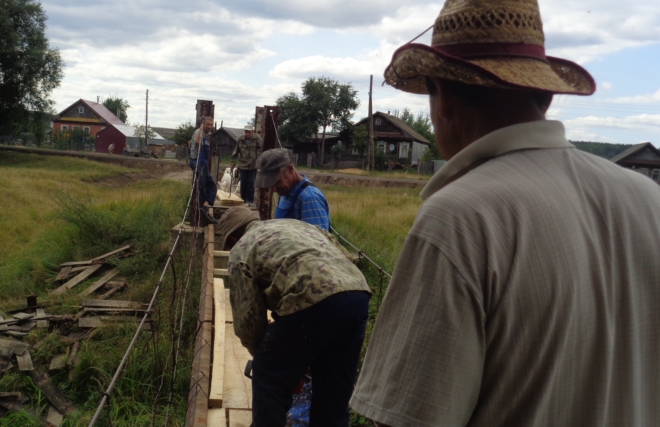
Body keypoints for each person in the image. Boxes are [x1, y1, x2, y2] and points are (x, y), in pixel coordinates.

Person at [350, 1, 660, 426]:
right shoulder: (648, 200)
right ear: (546, 95)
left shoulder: (460, 217)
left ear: (443, 98)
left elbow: (408, 417)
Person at [219, 207, 371, 427]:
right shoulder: (299, 226)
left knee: (268, 374)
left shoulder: (242, 248)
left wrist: (269, 357)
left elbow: (248, 322)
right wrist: (298, 359)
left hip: (310, 297)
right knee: (333, 392)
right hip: (357, 294)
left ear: (233, 237)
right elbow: (345, 256)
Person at [255, 148, 330, 231]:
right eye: (271, 185)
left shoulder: (310, 198)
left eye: (277, 182)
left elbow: (317, 241)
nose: (274, 189)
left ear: (290, 169)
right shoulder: (286, 191)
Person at [188, 116, 218, 223]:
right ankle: (202, 212)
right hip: (197, 162)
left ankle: (205, 207)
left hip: (203, 163)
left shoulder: (207, 135)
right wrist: (200, 128)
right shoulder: (199, 132)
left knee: (212, 186)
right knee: (202, 187)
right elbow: (196, 142)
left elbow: (190, 143)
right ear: (203, 124)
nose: (210, 127)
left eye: (211, 125)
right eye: (207, 124)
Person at [230, 125, 263, 206]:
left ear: (252, 131)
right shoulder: (241, 139)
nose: (247, 133)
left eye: (249, 132)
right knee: (243, 183)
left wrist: (261, 162)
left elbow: (261, 150)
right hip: (243, 165)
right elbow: (236, 151)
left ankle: (250, 200)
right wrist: (233, 162)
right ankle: (243, 199)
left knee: (251, 183)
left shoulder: (257, 139)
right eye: (246, 132)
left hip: (253, 166)